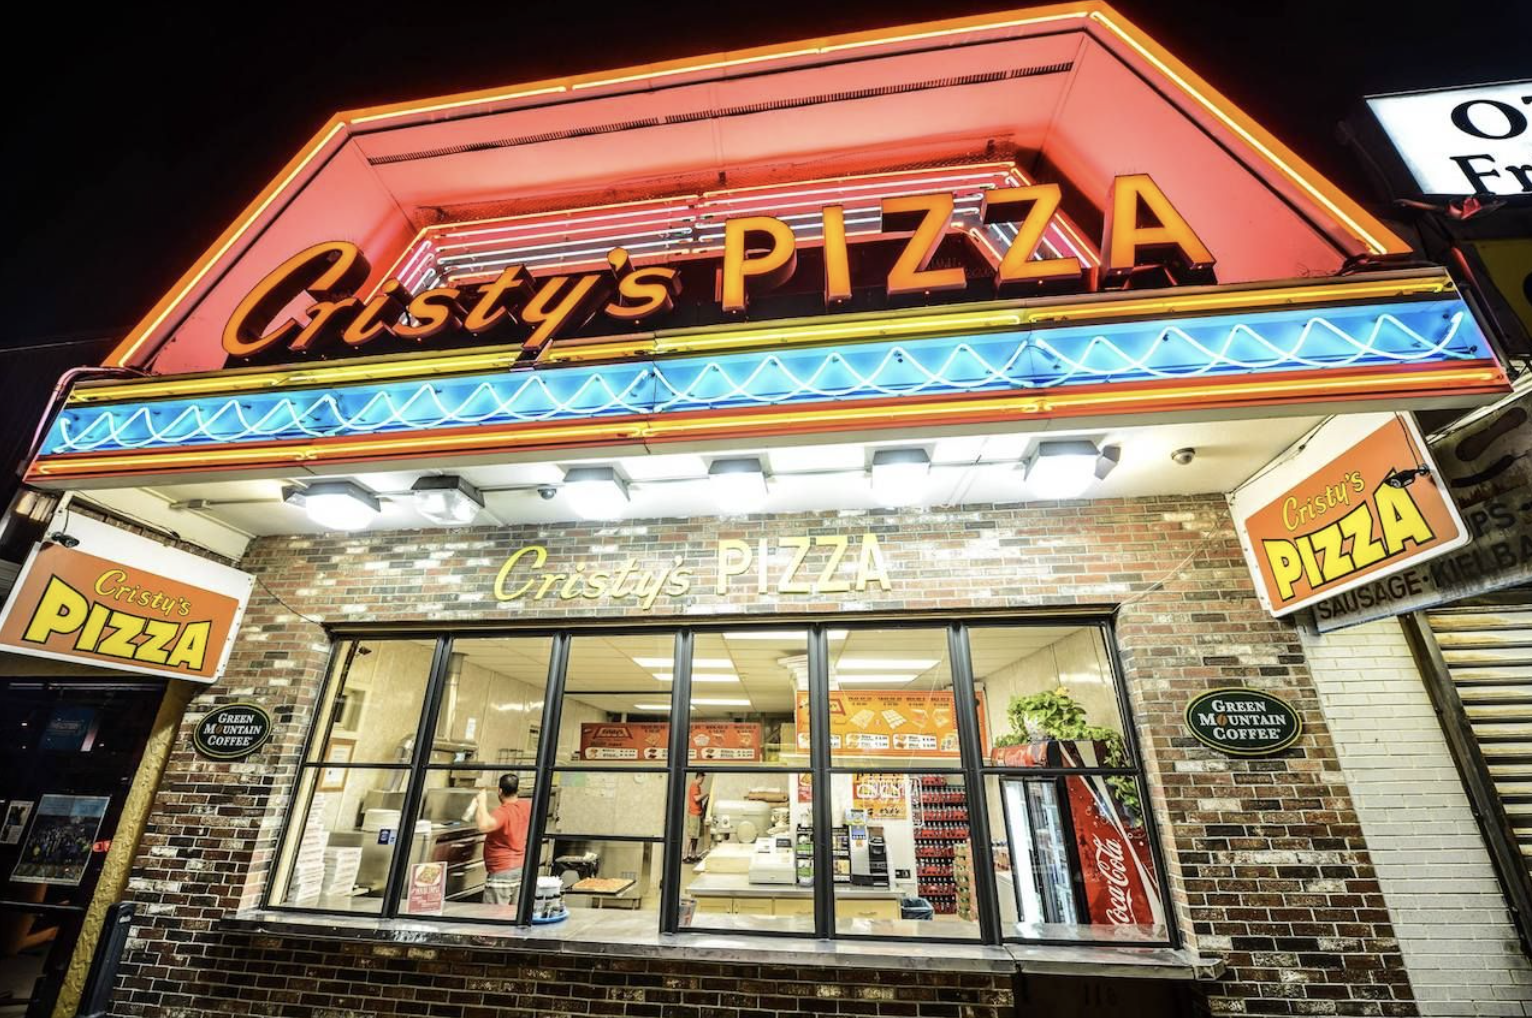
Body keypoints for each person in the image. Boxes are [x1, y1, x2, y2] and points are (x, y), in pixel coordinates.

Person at [475, 773, 532, 906]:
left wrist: (481, 803)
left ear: (499, 791)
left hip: (501, 870)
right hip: (520, 868)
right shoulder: (526, 806)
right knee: (513, 916)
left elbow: (483, 826)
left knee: (494, 917)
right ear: (518, 790)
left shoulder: (503, 812)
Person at [684, 773, 709, 863]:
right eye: (703, 778)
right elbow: (696, 798)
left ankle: (693, 855)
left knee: (695, 836)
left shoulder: (697, 786)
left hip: (697, 813)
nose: (703, 781)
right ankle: (685, 856)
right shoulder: (694, 786)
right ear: (700, 777)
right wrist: (706, 794)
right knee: (691, 835)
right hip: (693, 814)